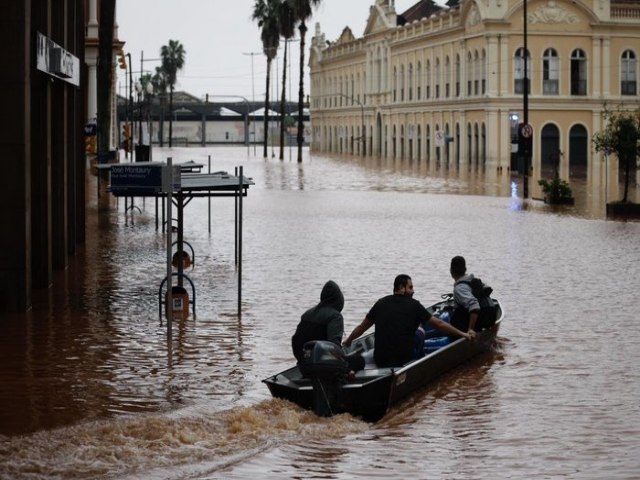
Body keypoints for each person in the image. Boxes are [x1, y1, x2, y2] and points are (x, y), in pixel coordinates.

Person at [343, 274, 474, 368]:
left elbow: (361, 328)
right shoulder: (414, 305)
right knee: (421, 330)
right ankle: (421, 354)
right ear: (401, 288)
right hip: (404, 358)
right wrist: (463, 334)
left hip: (380, 360)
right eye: (410, 287)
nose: (413, 291)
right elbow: (439, 324)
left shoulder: (380, 303)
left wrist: (348, 341)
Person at [291, 280, 346, 363]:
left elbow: (296, 341)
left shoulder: (307, 313)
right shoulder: (335, 317)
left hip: (304, 365)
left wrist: (302, 361)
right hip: (325, 366)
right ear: (338, 299)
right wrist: (347, 370)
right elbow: (334, 348)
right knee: (359, 361)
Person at [449, 255, 483, 335]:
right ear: (465, 269)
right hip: (481, 320)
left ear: (451, 271)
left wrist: (470, 329)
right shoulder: (472, 280)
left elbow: (474, 305)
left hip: (466, 327)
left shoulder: (459, 289)